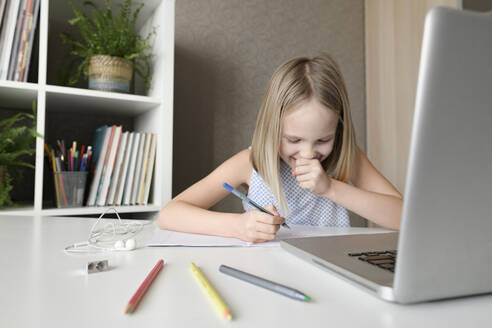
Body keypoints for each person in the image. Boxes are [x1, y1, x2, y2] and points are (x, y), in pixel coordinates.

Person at [158, 54, 402, 243]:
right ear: (271, 129)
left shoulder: (345, 158)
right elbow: (169, 214)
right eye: (294, 140)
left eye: (322, 140)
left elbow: (406, 218)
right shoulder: (251, 162)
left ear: (338, 131)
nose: (307, 154)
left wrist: (331, 188)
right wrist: (238, 226)